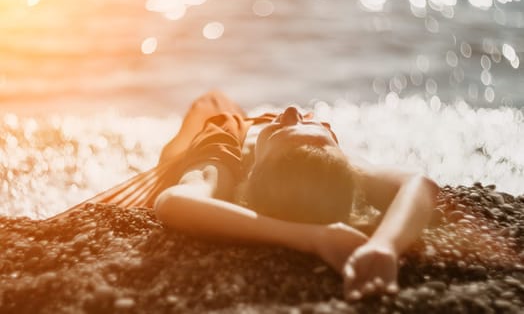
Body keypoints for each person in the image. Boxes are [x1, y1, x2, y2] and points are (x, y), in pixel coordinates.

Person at [55, 90, 440, 301]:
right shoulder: (333, 161)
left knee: (209, 104)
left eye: (286, 125)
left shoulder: (226, 154)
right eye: (316, 125)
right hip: (292, 151)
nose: (292, 110)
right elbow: (418, 183)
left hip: (219, 127)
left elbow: (172, 202)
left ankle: (175, 152)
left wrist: (313, 238)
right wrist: (386, 246)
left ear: (251, 172)